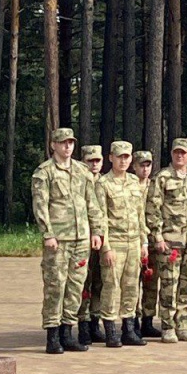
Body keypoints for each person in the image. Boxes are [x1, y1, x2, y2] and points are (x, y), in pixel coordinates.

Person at [31, 127, 104, 354]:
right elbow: (40, 206)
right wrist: (48, 234)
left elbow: (91, 203)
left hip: (81, 238)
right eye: (63, 143)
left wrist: (96, 231)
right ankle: (52, 335)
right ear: (53, 145)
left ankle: (67, 331)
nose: (68, 146)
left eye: (71, 143)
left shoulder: (82, 171)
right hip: (59, 240)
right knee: (55, 286)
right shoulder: (44, 173)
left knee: (75, 286)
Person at [145, 137, 187, 343]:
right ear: (172, 154)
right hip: (170, 242)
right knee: (169, 286)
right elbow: (153, 210)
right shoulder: (162, 177)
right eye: (176, 152)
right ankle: (167, 326)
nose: (180, 155)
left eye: (183, 152)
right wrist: (157, 237)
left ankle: (182, 324)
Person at [96, 140, 148, 348]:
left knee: (131, 285)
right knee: (111, 285)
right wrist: (106, 246)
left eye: (127, 157)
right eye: (120, 157)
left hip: (134, 241)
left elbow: (140, 213)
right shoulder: (103, 184)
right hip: (115, 243)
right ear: (111, 158)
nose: (124, 160)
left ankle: (129, 328)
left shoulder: (135, 182)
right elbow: (101, 217)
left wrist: (144, 241)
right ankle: (110, 329)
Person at [77, 144, 106, 345]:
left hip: (102, 239)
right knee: (82, 284)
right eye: (90, 160)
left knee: (100, 282)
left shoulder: (105, 181)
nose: (94, 164)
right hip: (82, 239)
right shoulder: (78, 181)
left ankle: (95, 321)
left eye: (97, 160)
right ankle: (82, 324)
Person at [133, 150, 161, 338]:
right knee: (134, 282)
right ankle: (133, 320)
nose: (145, 169)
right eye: (141, 165)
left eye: (148, 165)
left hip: (152, 240)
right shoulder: (130, 186)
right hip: (135, 240)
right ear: (134, 166)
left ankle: (148, 320)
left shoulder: (155, 185)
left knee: (152, 282)